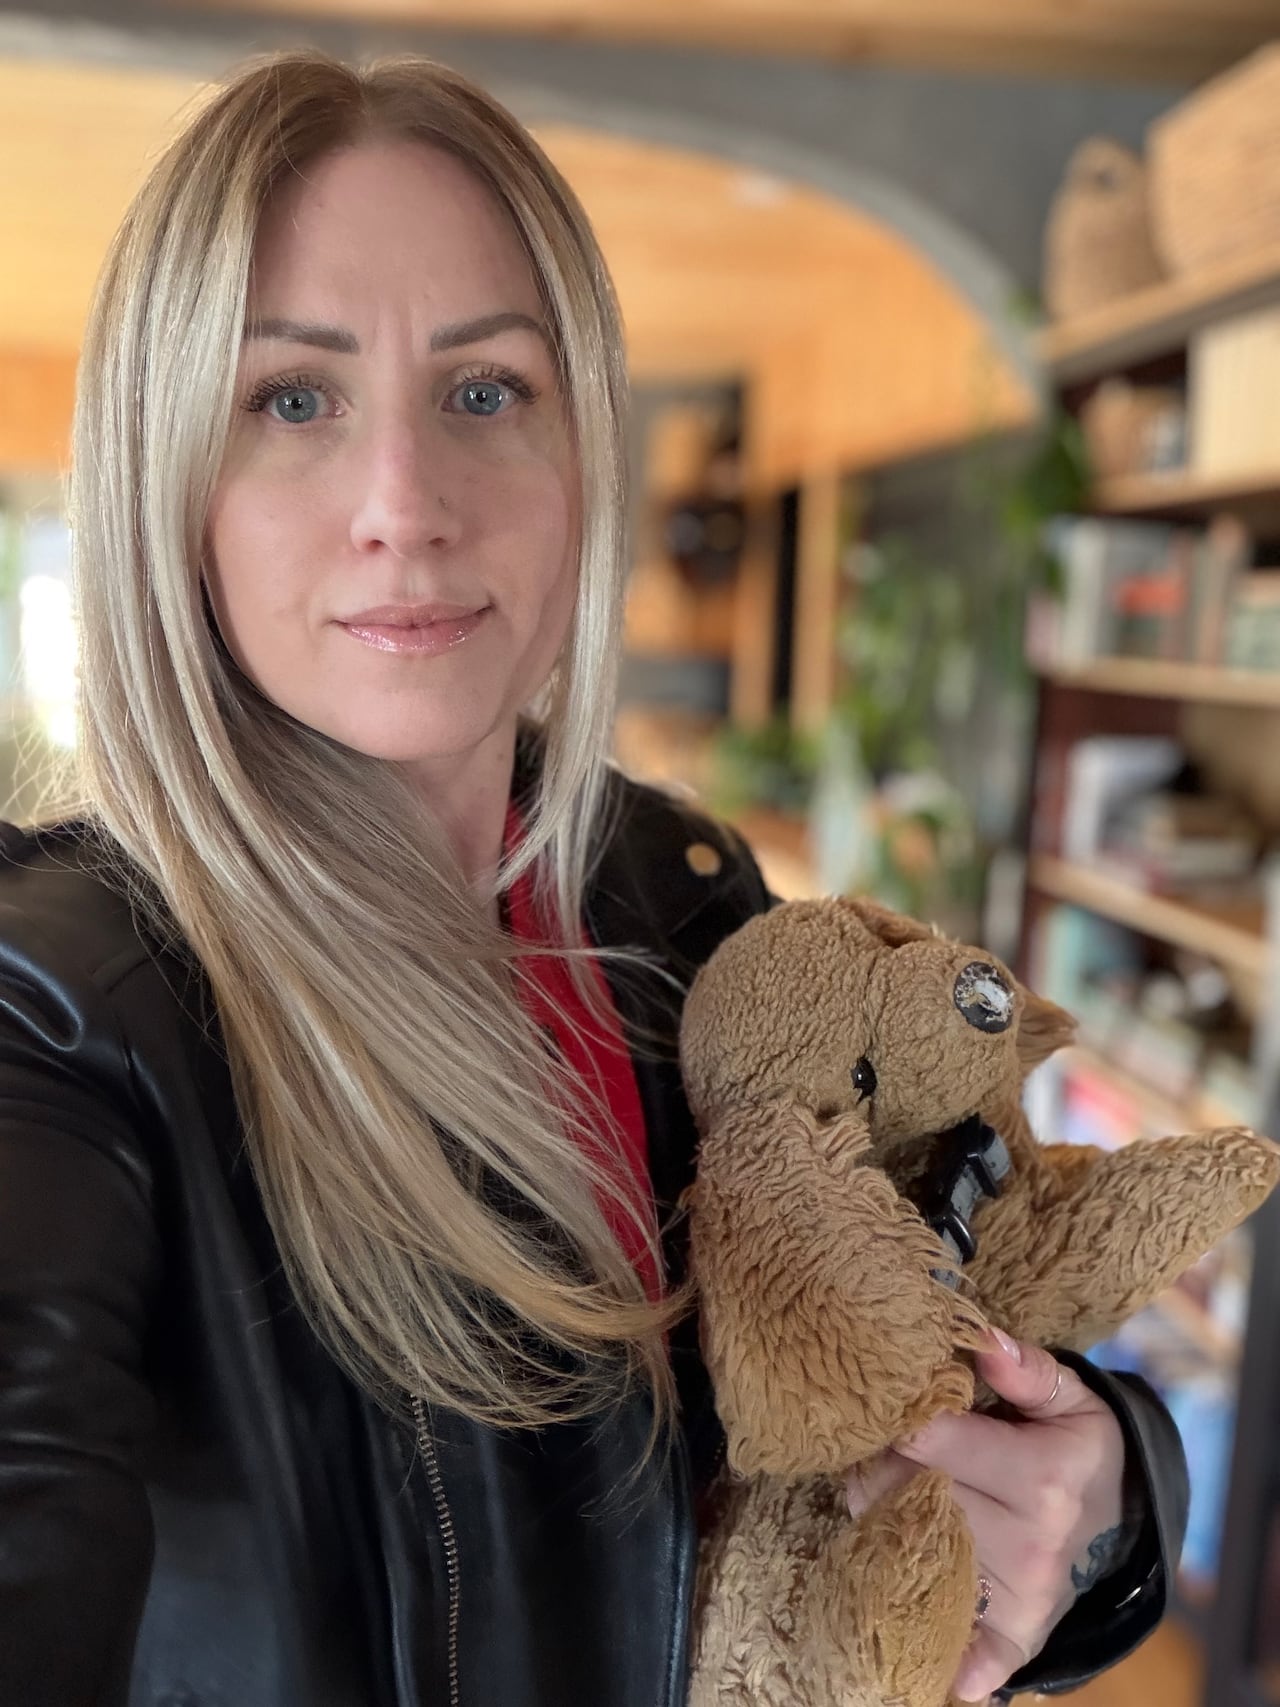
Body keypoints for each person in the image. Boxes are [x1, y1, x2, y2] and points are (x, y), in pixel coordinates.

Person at [0, 49, 1186, 1707]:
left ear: (584, 467)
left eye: (486, 392)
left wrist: (1108, 1495)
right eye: (292, 399)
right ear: (163, 480)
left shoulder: (689, 906)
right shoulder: (58, 1012)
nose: (403, 507)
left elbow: (964, 1315)